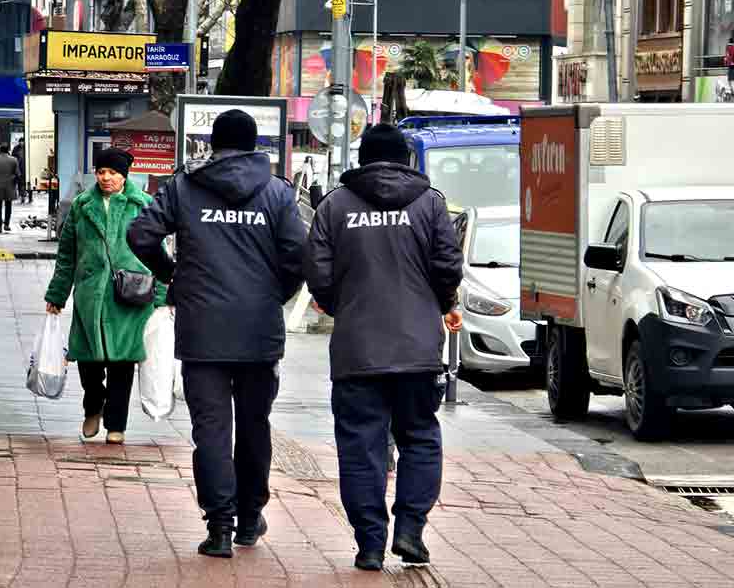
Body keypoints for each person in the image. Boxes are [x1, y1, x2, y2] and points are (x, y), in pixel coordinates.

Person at [127, 109, 305, 559]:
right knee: (254, 425)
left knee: (210, 428)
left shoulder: (185, 186)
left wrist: (173, 275)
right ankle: (250, 517)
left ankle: (220, 526)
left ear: (214, 143)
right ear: (253, 144)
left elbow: (140, 234)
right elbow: (298, 257)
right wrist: (274, 294)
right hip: (258, 330)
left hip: (202, 326)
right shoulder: (277, 193)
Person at [304, 123, 464, 572]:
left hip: (357, 350)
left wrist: (344, 306)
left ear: (363, 159)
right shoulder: (430, 203)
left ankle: (370, 544)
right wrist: (441, 304)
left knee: (360, 447)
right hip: (417, 349)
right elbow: (448, 266)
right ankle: (410, 529)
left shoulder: (335, 205)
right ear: (405, 159)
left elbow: (317, 272)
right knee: (420, 437)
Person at [44, 148, 167, 445]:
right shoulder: (82, 205)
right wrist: (57, 294)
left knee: (122, 364)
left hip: (131, 296)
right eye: (101, 172)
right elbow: (67, 255)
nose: (106, 178)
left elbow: (160, 253)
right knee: (88, 362)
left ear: (124, 175)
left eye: (112, 172)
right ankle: (92, 407)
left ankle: (116, 425)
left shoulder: (143, 205)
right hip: (90, 295)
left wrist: (162, 298)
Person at [0, 143, 20, 234]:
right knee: (8, 206)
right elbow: (18, 174)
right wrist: (14, 182)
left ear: (0, 150)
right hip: (10, 186)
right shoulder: (14, 160)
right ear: (8, 150)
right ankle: (6, 224)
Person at [13, 138, 27, 203]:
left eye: (22, 141)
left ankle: (24, 195)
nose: (21, 143)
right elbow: (13, 157)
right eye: (20, 141)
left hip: (26, 168)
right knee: (20, 182)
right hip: (18, 168)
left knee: (25, 183)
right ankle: (22, 195)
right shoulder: (16, 148)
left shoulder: (27, 148)